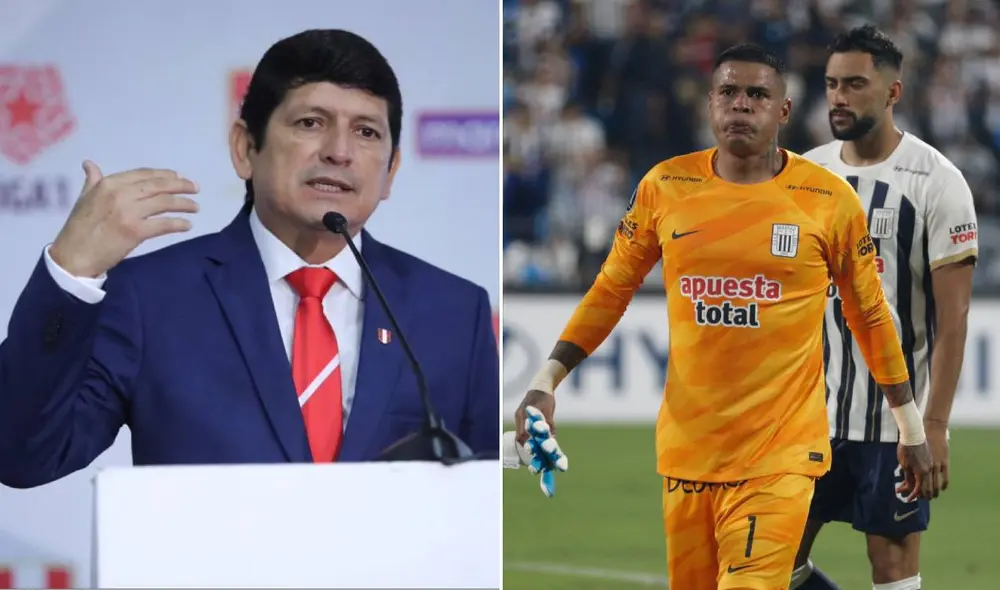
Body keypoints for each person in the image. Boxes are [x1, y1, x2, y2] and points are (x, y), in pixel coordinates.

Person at [512, 43, 941, 589]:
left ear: (783, 111)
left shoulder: (826, 201)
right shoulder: (665, 187)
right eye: (729, 93)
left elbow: (871, 317)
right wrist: (546, 380)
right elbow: (610, 290)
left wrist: (909, 426)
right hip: (687, 454)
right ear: (710, 104)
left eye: (758, 94)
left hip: (780, 456)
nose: (741, 105)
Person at [0, 29, 499, 489]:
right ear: (245, 148)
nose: (340, 152)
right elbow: (24, 456)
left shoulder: (454, 313)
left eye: (367, 132)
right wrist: (69, 274)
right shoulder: (150, 298)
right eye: (311, 122)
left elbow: (484, 507)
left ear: (390, 171)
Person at [791, 26, 978, 590]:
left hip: (892, 423)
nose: (839, 97)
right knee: (777, 563)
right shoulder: (805, 175)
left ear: (892, 92)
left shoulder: (938, 183)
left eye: (854, 84)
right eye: (830, 84)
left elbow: (954, 320)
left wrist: (934, 424)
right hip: (806, 418)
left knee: (892, 569)